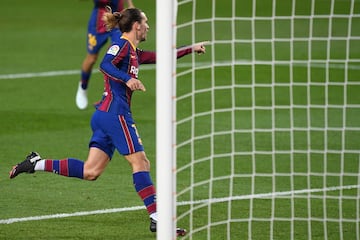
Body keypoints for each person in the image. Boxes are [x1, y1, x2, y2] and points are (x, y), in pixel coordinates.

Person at [9, 7, 207, 237]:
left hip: (105, 116)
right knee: (141, 162)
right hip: (116, 114)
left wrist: (190, 49)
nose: (148, 27)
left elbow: (162, 57)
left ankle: (35, 163)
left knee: (91, 171)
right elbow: (105, 64)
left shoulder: (134, 52)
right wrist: (128, 79)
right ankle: (156, 217)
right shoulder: (121, 45)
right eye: (146, 22)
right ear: (136, 26)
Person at [76, 0, 135, 110]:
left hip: (118, 21)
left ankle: (108, 95)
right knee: (92, 58)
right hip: (100, 22)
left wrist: (130, 5)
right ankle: (83, 87)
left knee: (120, 55)